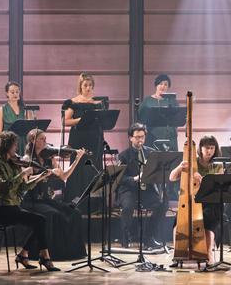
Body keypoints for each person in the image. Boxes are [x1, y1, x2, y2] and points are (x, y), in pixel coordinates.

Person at [0, 131, 59, 271]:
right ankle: (43, 257)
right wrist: (23, 173)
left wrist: (39, 177)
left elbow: (22, 188)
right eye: (14, 145)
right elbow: (5, 187)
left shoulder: (14, 164)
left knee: (40, 221)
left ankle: (25, 254)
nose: (16, 148)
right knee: (40, 221)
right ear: (7, 146)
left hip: (14, 208)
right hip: (3, 210)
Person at [21, 129, 87, 260]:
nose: (46, 142)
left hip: (45, 200)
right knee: (53, 214)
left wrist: (77, 159)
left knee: (74, 212)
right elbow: (26, 183)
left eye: (45, 139)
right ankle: (51, 254)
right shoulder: (26, 160)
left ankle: (72, 252)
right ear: (33, 141)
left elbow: (64, 176)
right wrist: (45, 174)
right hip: (31, 201)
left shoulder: (49, 158)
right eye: (42, 139)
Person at [169, 135, 224, 265]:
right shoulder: (192, 162)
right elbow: (172, 177)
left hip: (212, 202)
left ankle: (208, 253)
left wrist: (204, 180)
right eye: (206, 148)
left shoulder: (218, 164)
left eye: (212, 148)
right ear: (200, 148)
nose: (209, 151)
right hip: (193, 200)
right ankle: (178, 253)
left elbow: (219, 186)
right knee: (179, 220)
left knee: (207, 218)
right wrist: (180, 167)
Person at [116, 123, 168, 249]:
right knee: (128, 206)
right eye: (137, 137)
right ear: (130, 138)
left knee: (162, 205)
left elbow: (158, 172)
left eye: (142, 137)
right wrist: (135, 178)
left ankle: (148, 238)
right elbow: (119, 179)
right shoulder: (123, 155)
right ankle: (125, 237)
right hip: (129, 189)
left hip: (146, 189)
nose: (140, 140)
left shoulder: (151, 152)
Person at [62, 73, 107, 203]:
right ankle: (76, 201)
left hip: (95, 139)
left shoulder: (97, 103)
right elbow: (65, 121)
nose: (88, 88)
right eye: (85, 85)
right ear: (80, 86)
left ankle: (94, 203)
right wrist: (81, 120)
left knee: (93, 167)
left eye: (90, 85)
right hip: (79, 139)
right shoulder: (74, 102)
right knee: (78, 167)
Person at [138, 74, 179, 151]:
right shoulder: (147, 101)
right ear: (156, 85)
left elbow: (177, 119)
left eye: (166, 84)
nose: (163, 86)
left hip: (170, 138)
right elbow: (141, 120)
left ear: (168, 87)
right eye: (160, 84)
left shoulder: (173, 101)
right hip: (152, 137)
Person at [0, 81, 31, 154]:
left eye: (17, 92)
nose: (15, 94)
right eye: (12, 92)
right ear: (7, 93)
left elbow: (31, 128)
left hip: (23, 144)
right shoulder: (2, 110)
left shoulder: (26, 109)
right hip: (9, 145)